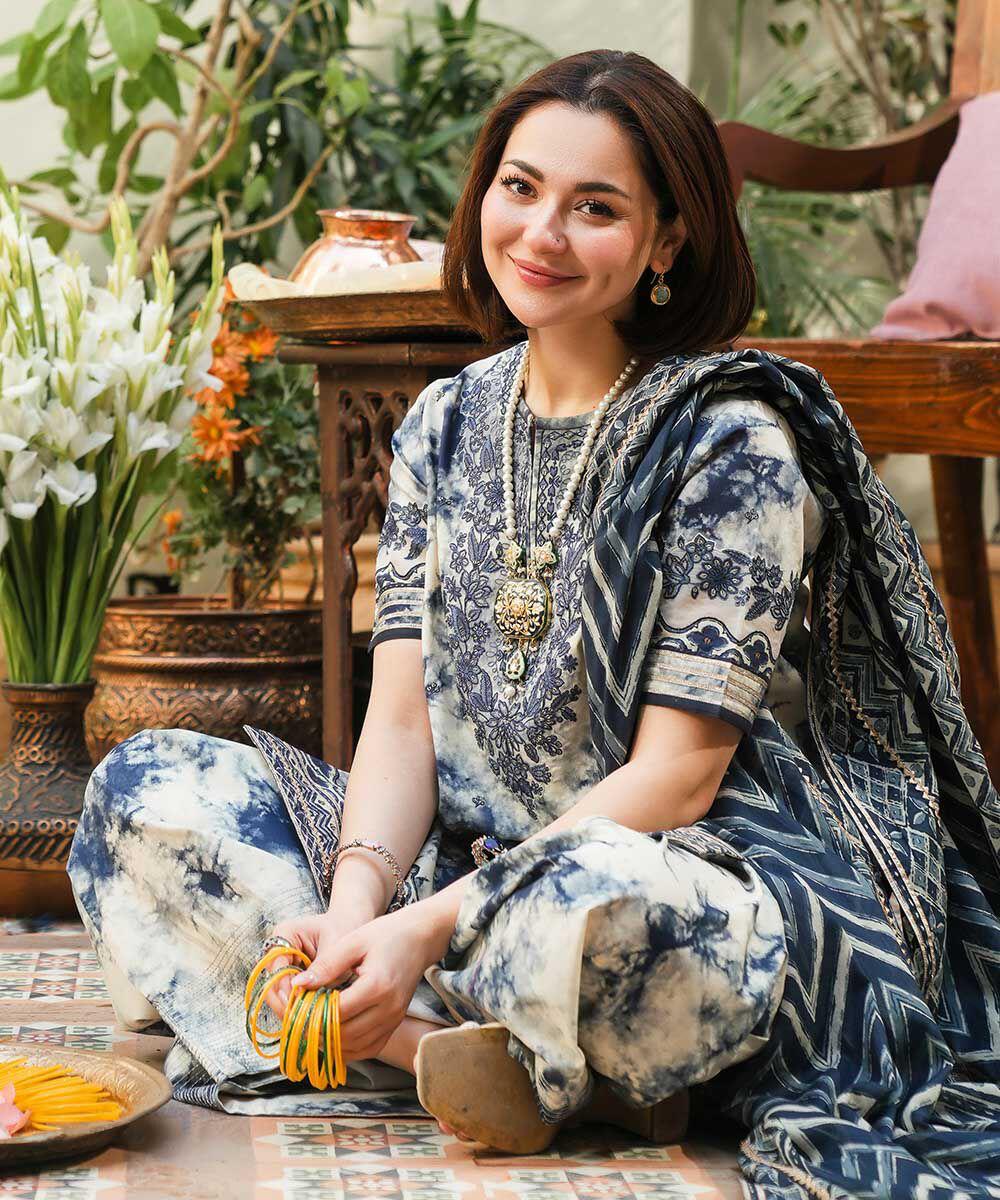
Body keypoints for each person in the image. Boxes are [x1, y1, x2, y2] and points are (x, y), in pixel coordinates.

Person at [67, 50, 1000, 1200]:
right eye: (520, 188)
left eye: (595, 207)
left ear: (668, 240)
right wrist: (357, 911)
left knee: (594, 906)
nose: (541, 233)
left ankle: (404, 1027)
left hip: (670, 865)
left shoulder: (731, 442)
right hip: (455, 870)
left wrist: (431, 930)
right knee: (142, 787)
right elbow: (399, 722)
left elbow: (677, 779)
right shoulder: (443, 426)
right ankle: (467, 1051)